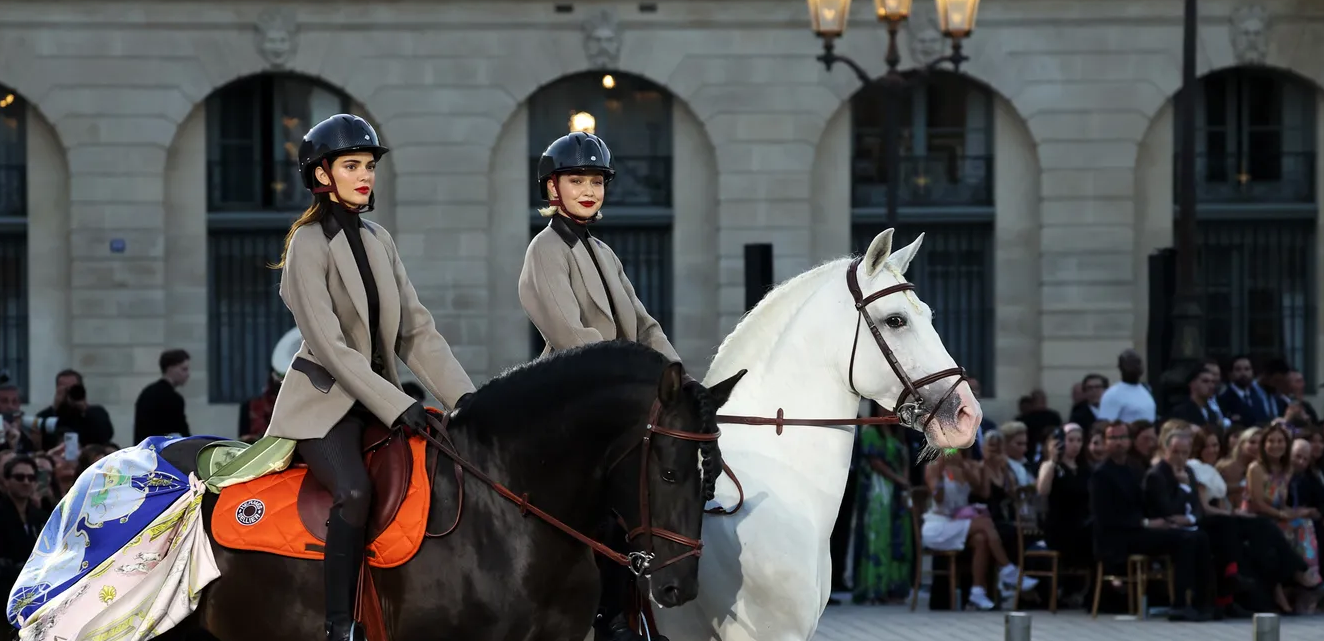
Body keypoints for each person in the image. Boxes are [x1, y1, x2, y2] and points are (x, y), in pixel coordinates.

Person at [268, 114, 476, 641]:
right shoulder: (306, 244)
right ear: (322, 176)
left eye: (368, 166)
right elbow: (332, 348)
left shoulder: (380, 239)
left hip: (379, 399)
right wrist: (397, 404)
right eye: (351, 166)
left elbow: (416, 331)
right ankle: (339, 625)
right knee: (355, 492)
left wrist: (470, 401)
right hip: (323, 406)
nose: (364, 175)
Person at [518, 131, 680, 641]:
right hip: (573, 405)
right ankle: (606, 617)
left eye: (596, 181)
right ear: (553, 188)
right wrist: (634, 380)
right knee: (610, 502)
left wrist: (680, 382)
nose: (589, 190)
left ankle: (640, 606)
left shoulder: (604, 252)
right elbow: (572, 336)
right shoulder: (545, 249)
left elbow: (645, 325)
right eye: (576, 181)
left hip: (621, 403)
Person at [1089, 422, 1213, 621]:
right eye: (1113, 438)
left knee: (1200, 537)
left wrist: (1161, 521)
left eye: (1122, 438)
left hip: (1139, 530)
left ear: (1129, 441)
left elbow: (1145, 502)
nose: (1119, 442)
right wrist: (1145, 523)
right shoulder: (1101, 474)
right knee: (1185, 540)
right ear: (1106, 442)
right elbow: (1105, 516)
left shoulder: (1134, 468)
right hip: (1118, 538)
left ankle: (1203, 603)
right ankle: (1179, 604)